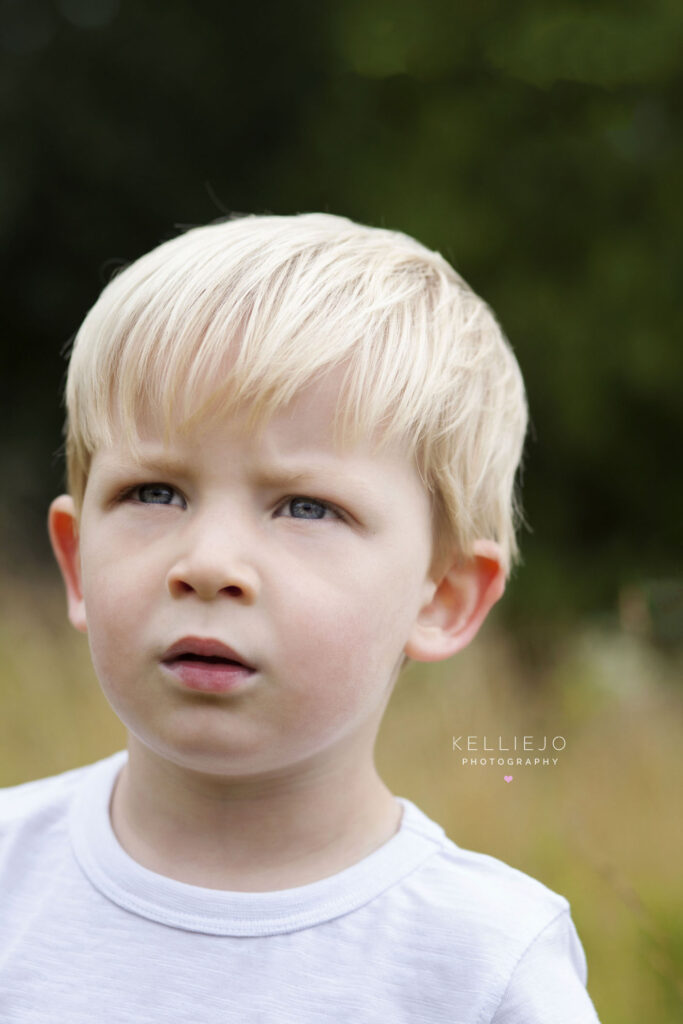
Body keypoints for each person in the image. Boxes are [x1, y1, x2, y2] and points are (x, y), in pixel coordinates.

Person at [0, 213, 601, 1022]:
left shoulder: (483, 964)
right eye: (154, 493)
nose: (208, 562)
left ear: (443, 596)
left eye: (305, 507)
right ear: (77, 563)